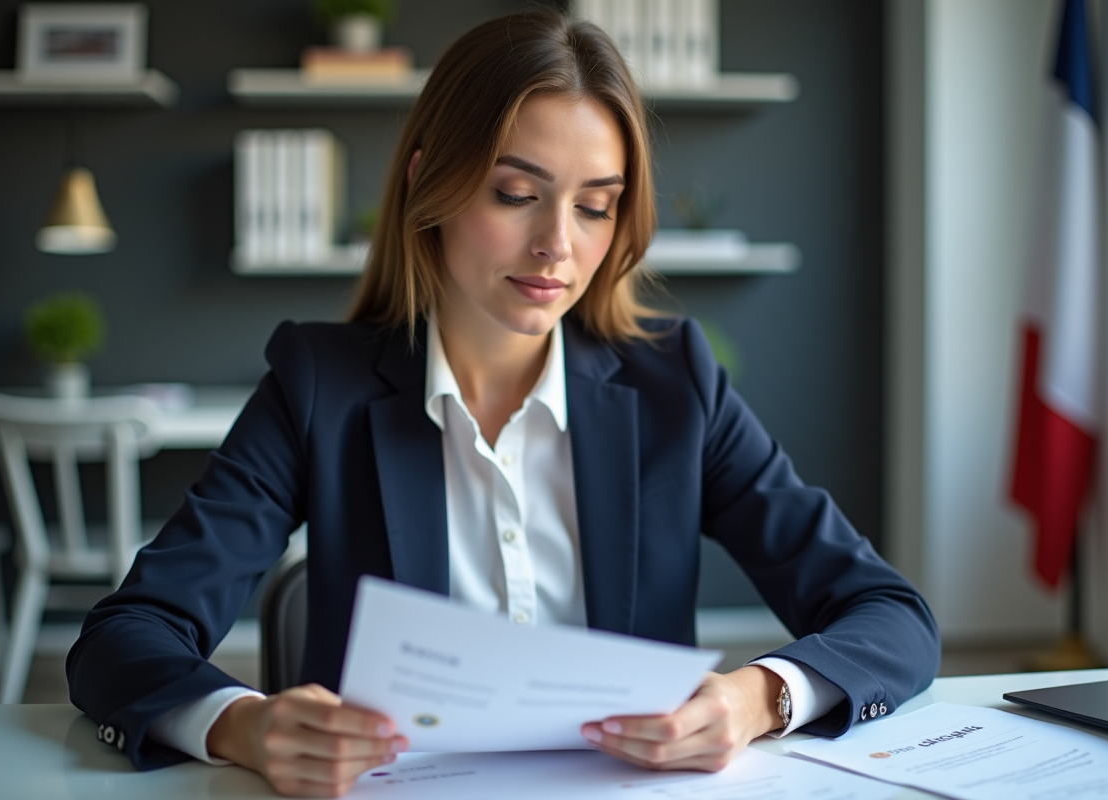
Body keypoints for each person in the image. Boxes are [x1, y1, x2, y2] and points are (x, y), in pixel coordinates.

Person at [67, 8, 940, 798]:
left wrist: (759, 698)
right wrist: (242, 723)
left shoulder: (677, 386)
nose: (557, 245)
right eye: (515, 195)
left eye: (596, 208)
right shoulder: (318, 385)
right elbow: (125, 637)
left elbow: (890, 617)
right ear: (427, 185)